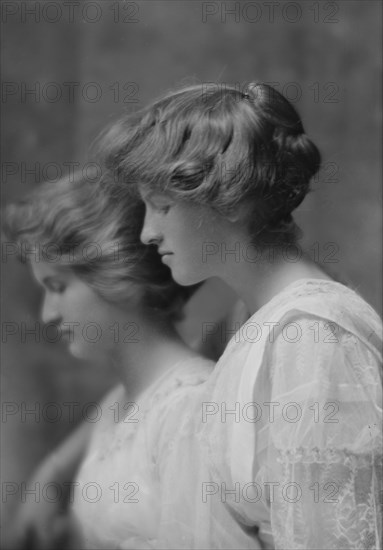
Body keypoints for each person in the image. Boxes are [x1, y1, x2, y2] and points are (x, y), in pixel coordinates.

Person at [102, 82, 383, 549]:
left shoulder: (312, 337)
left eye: (162, 206)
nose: (148, 233)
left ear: (230, 198)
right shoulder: (256, 323)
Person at [2, 173, 216, 549]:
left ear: (121, 273)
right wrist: (48, 480)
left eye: (58, 287)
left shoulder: (191, 409)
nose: (48, 315)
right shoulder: (124, 400)